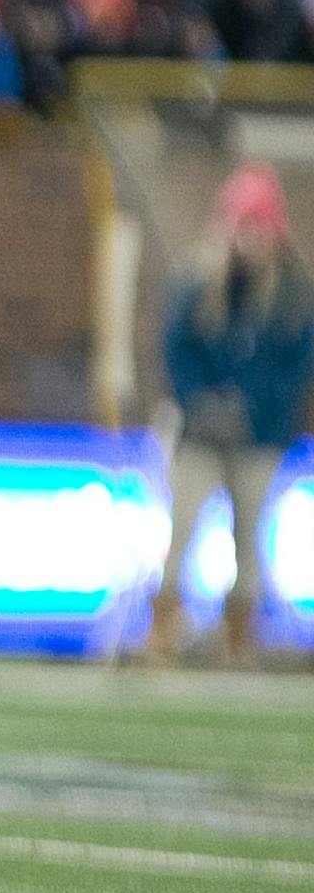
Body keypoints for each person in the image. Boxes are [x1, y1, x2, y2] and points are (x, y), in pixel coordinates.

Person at [152, 165, 314, 667]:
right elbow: (178, 350)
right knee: (180, 531)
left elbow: (295, 367)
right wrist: (203, 401)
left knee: (250, 540)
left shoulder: (292, 295)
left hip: (259, 437)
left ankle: (238, 639)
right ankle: (164, 631)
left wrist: (251, 407)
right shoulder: (198, 283)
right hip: (200, 433)